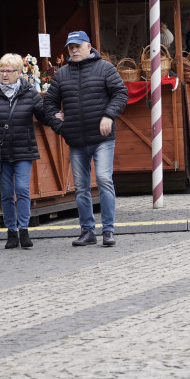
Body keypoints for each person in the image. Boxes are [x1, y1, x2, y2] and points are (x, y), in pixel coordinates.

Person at [43, 31, 128, 247]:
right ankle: (87, 231)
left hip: (102, 138)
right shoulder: (62, 74)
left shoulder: (105, 68)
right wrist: (59, 125)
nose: (73, 50)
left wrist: (109, 115)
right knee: (81, 187)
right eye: (70, 47)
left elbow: (120, 93)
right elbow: (49, 105)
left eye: (77, 46)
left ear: (88, 46)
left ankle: (108, 230)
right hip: (76, 140)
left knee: (104, 180)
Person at [0, 54, 50, 249]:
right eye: (2, 70)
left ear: (19, 73)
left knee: (23, 190)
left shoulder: (30, 92)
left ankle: (24, 230)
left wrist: (57, 117)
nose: (5, 74)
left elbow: (42, 115)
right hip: (0, 151)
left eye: (9, 71)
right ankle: (11, 232)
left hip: (23, 149)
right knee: (7, 193)